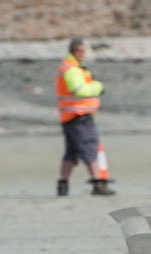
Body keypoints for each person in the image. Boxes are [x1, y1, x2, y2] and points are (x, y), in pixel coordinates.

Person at [55, 38, 114, 196]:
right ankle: (98, 183)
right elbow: (78, 90)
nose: (84, 54)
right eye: (81, 51)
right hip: (78, 116)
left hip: (71, 116)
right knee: (90, 148)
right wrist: (98, 87)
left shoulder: (73, 67)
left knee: (72, 152)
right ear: (75, 51)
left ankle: (63, 183)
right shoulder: (72, 69)